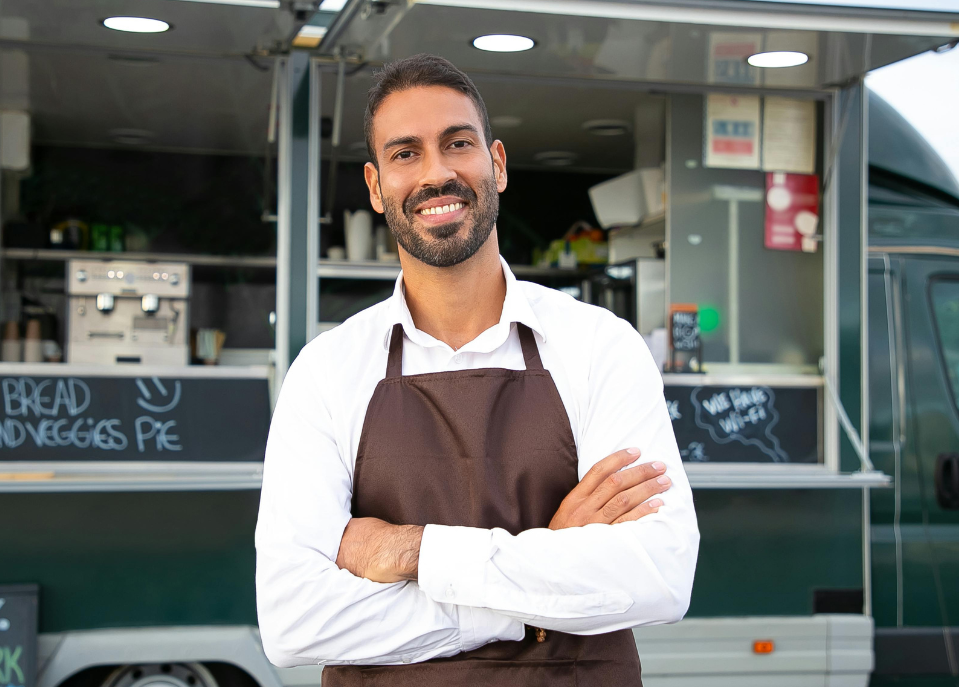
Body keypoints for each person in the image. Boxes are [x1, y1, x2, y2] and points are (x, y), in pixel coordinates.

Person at [255, 53, 699, 686]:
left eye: (457, 144)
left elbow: (658, 577)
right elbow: (295, 622)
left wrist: (412, 551)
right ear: (377, 187)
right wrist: (535, 590)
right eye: (405, 153)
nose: (437, 173)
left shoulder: (601, 346)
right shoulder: (326, 372)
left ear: (496, 163)